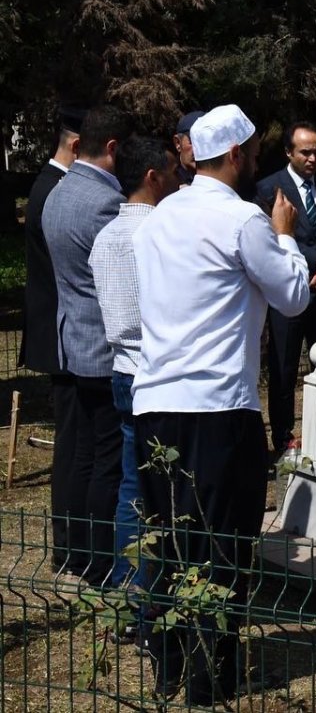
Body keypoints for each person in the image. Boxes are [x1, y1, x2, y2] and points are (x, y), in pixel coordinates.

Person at [133, 104, 310, 705]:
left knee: (168, 536)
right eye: (255, 152)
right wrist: (285, 235)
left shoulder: (158, 217)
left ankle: (167, 663)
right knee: (224, 544)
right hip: (218, 405)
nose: (256, 161)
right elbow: (291, 298)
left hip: (155, 398)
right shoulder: (243, 220)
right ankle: (211, 679)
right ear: (235, 155)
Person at [89, 135, 182, 599]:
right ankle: (158, 583)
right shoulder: (158, 233)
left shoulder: (106, 235)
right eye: (171, 170)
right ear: (152, 177)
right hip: (157, 369)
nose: (177, 178)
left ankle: (131, 585)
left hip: (121, 367)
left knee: (132, 481)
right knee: (166, 483)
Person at [42, 104, 131, 582]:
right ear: (112, 148)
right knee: (105, 460)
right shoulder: (103, 203)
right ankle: (99, 561)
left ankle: (74, 552)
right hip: (100, 344)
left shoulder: (60, 191)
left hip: (72, 336)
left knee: (80, 456)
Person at [20, 107, 80, 571]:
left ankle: (71, 542)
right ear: (77, 145)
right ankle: (68, 544)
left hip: (60, 328)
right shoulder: (54, 190)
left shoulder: (48, 186)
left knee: (73, 440)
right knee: (72, 441)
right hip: (62, 330)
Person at [256, 121, 316, 449]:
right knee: (284, 365)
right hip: (287, 289)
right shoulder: (268, 189)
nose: (312, 158)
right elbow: (273, 237)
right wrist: (315, 261)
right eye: (305, 152)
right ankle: (283, 434)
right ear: (288, 152)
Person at [173, 110, 204, 185]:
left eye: (205, 141)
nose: (200, 148)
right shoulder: (170, 181)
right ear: (178, 143)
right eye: (194, 140)